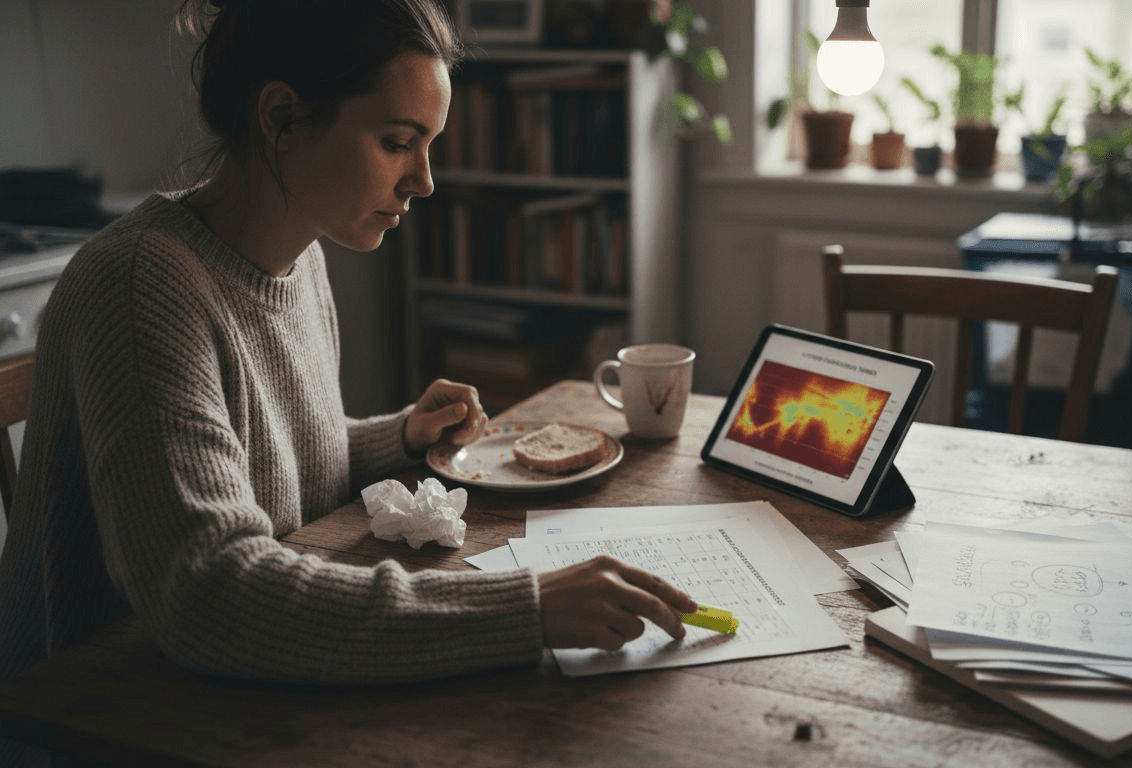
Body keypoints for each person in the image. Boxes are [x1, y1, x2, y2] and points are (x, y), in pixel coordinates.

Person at [0, 0, 697, 698]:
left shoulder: (299, 256)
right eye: (398, 142)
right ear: (282, 119)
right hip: (99, 711)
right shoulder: (140, 283)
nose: (424, 181)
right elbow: (206, 591)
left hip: (235, 686)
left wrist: (397, 438)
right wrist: (528, 608)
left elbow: (270, 469)